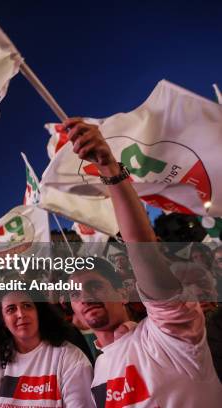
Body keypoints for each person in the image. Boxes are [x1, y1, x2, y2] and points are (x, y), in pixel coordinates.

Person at [64, 117, 222, 406]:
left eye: (95, 285)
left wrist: (109, 167)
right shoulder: (97, 372)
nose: (85, 296)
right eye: (75, 294)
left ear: (124, 292)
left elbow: (142, 251)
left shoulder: (169, 333)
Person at [0, 289, 94, 408]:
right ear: (3, 321)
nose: (21, 314)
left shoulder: (70, 358)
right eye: (11, 309)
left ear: (39, 312)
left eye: (27, 306)